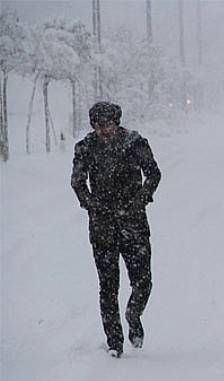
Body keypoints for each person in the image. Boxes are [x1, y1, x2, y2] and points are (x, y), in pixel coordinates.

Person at [71, 102, 161, 358]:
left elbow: (154, 174)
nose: (105, 131)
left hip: (134, 223)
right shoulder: (86, 148)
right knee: (108, 286)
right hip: (102, 227)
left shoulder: (135, 143)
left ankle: (133, 314)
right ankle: (114, 343)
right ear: (94, 126)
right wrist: (92, 206)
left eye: (109, 125)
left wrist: (141, 199)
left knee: (143, 282)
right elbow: (77, 182)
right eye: (100, 126)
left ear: (117, 123)